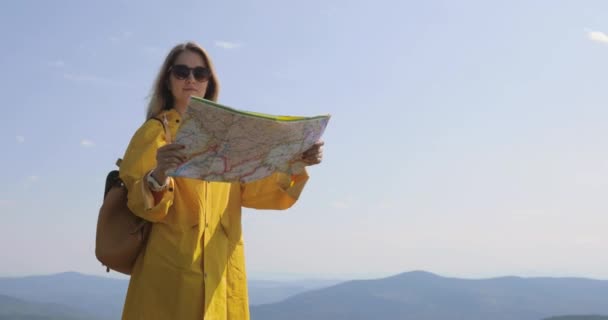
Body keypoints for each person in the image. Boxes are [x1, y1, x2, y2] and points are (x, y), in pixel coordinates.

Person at [118, 41, 323, 320]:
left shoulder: (228, 136)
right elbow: (139, 205)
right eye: (181, 71)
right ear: (168, 80)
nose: (191, 79)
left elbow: (254, 191)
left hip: (221, 278)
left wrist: (296, 161)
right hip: (169, 282)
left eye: (199, 74)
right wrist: (158, 174)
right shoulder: (153, 133)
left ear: (208, 82)